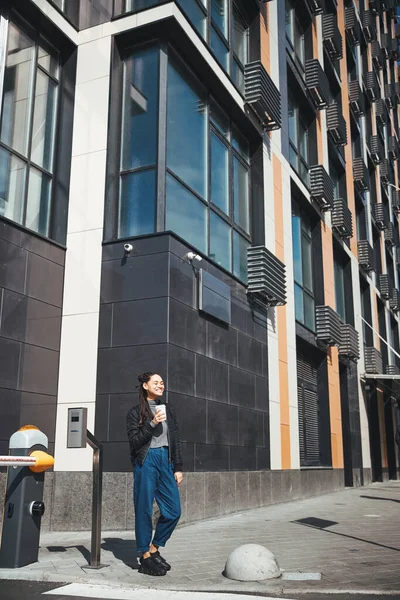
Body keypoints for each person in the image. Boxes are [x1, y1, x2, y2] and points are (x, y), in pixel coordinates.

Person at [126, 372, 183, 576]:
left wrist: (177, 467)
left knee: (174, 511)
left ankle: (154, 548)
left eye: (162, 383)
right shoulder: (135, 413)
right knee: (144, 509)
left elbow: (175, 440)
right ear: (145, 386)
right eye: (156, 382)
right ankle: (144, 555)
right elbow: (135, 442)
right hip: (146, 461)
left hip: (165, 460)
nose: (161, 385)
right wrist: (152, 423)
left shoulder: (169, 410)